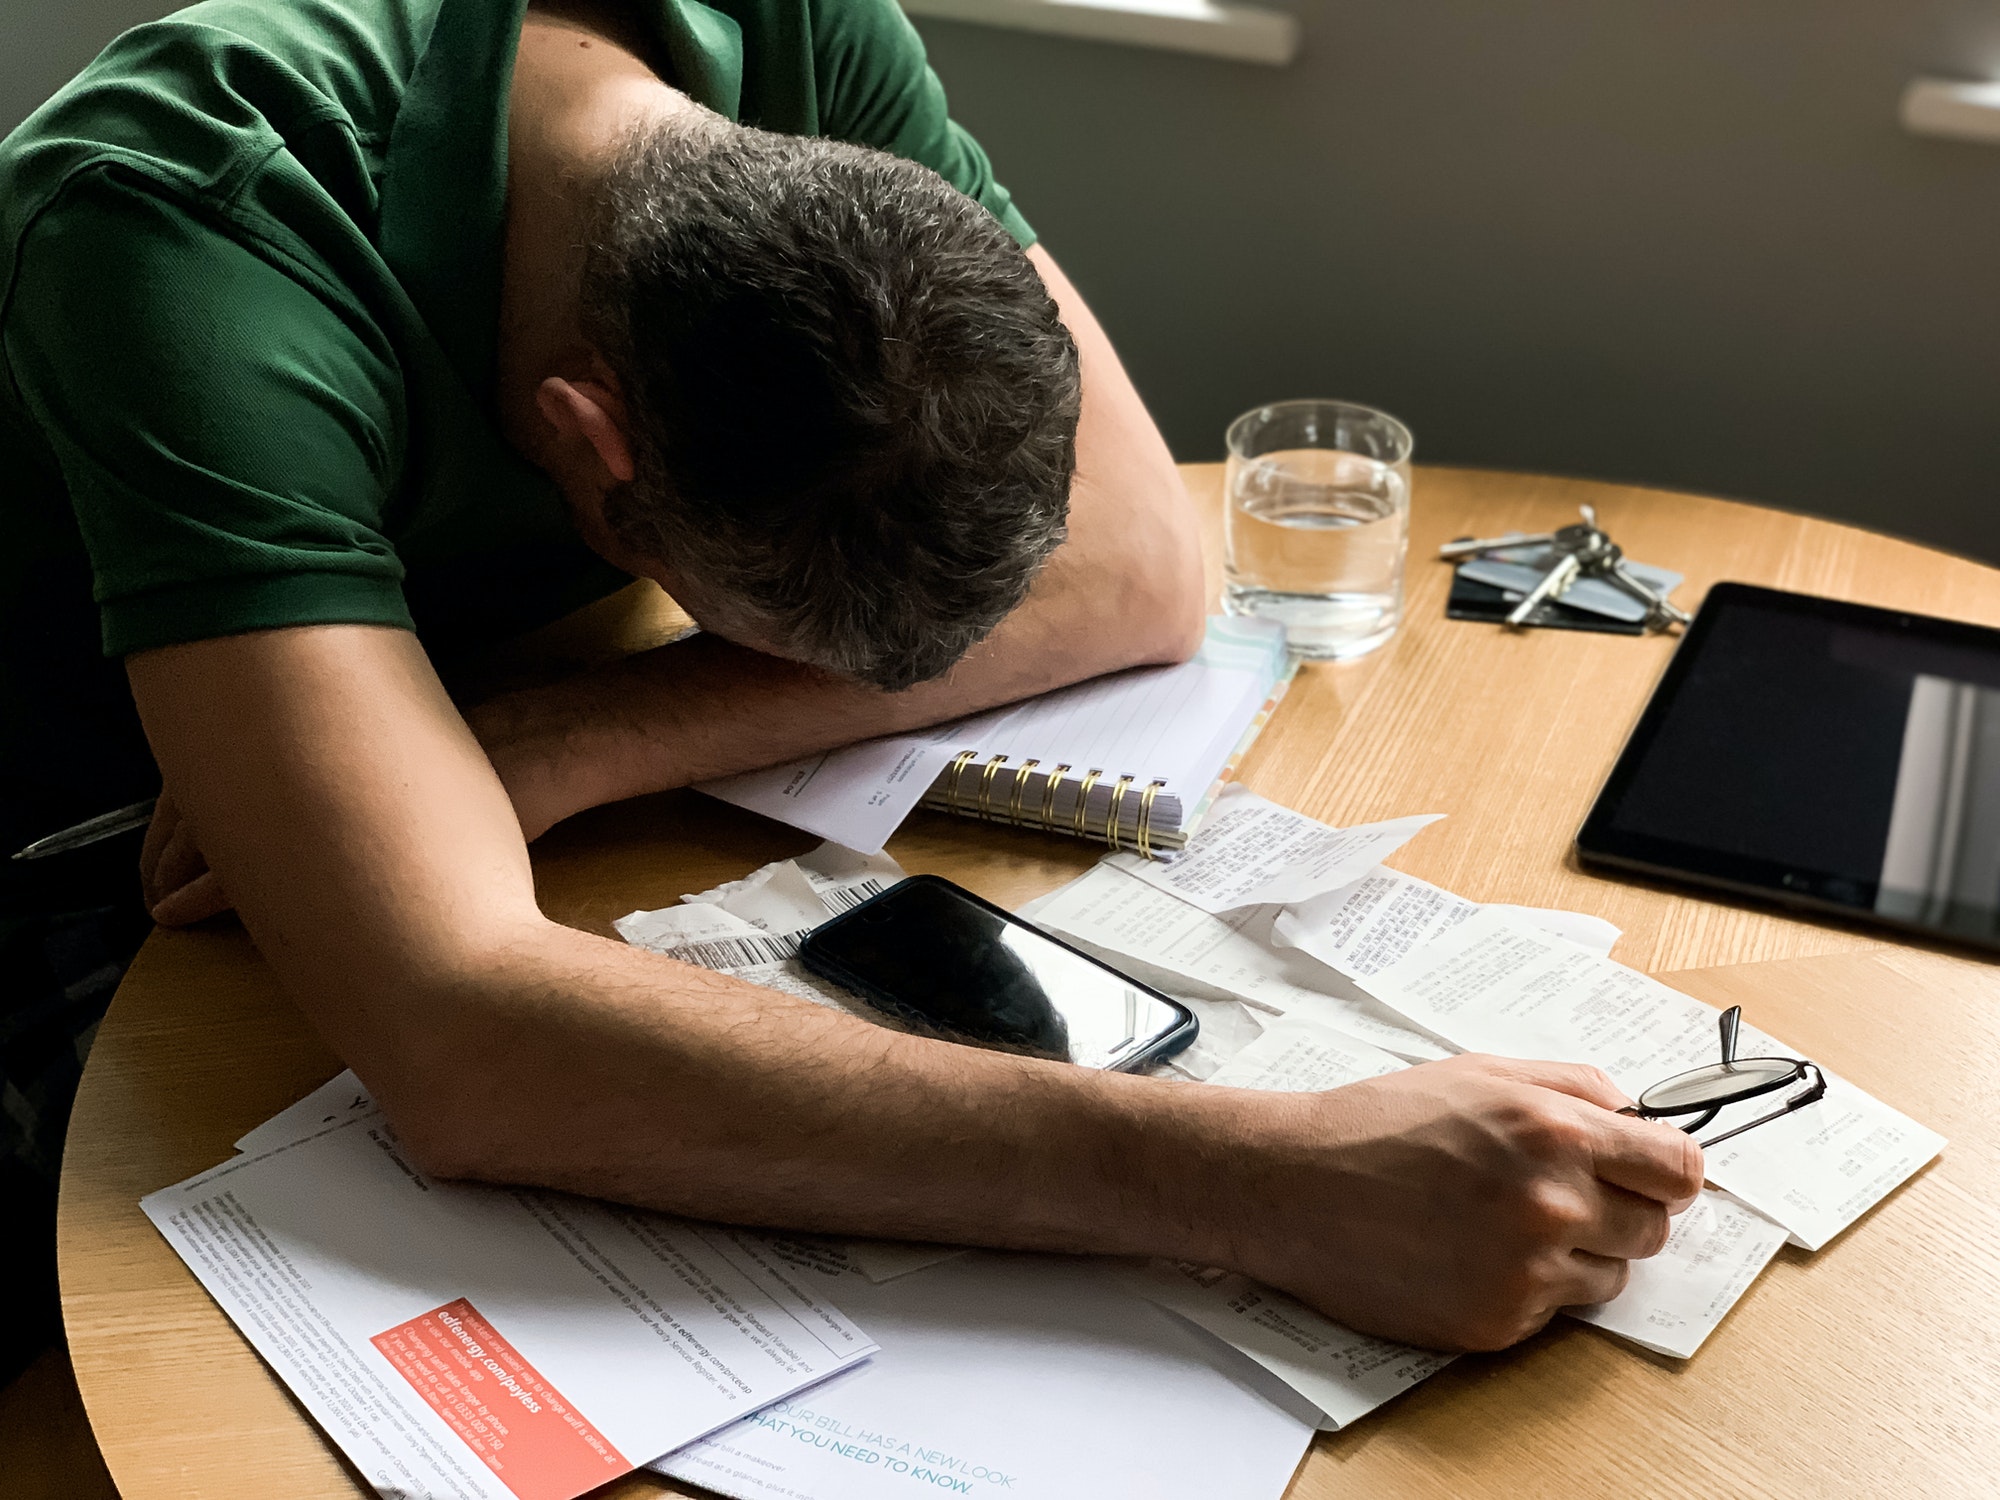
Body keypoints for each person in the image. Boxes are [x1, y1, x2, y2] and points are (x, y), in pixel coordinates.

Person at [0, 0, 1704, 1385]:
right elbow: (463, 1045)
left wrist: (570, 740)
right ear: (598, 453)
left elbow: (1137, 569)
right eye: (772, 632)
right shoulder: (185, 221)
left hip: (484, 702)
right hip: (69, 832)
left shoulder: (797, 42)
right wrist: (1272, 1180)